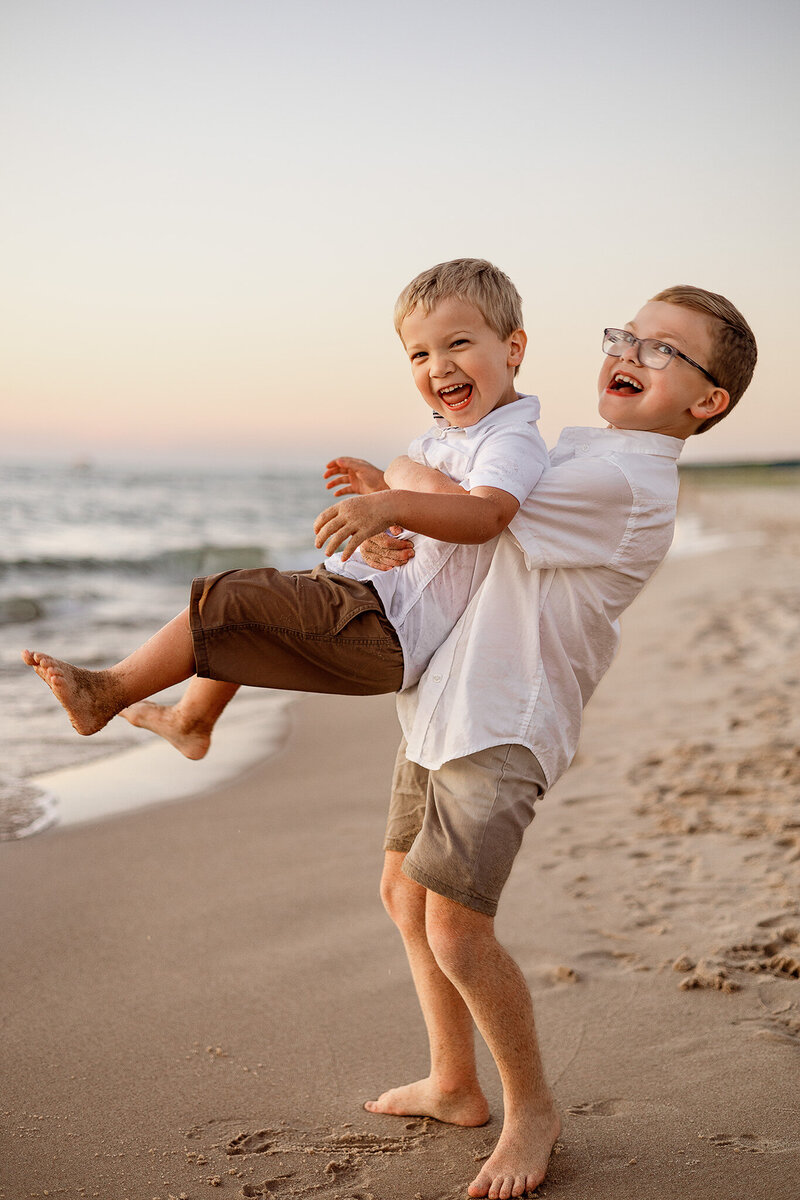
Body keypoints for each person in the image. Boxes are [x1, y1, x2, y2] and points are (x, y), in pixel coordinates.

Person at [350, 285, 757, 1200]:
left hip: (504, 724)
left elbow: (469, 505)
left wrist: (397, 485)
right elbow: (460, 527)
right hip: (447, 705)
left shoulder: (624, 478)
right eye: (629, 336)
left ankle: (530, 1108)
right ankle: (454, 1083)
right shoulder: (578, 449)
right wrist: (399, 507)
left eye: (664, 351)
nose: (632, 351)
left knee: (456, 924)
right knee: (401, 894)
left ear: (707, 401)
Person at [20, 257, 549, 741]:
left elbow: (485, 516)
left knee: (229, 600)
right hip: (372, 605)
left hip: (386, 628)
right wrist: (382, 519)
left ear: (513, 348)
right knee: (249, 621)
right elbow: (435, 533)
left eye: (458, 344)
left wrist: (390, 503)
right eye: (419, 353)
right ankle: (191, 721)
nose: (438, 366)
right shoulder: (449, 437)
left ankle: (105, 693)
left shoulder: (509, 439)